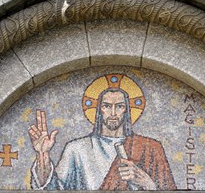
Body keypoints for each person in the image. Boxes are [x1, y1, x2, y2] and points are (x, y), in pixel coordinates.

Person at [28, 78, 176, 190]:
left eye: (119, 106)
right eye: (106, 106)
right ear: (99, 110)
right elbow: (52, 189)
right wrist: (43, 155)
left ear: (127, 111)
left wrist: (146, 182)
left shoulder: (151, 148)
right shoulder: (77, 149)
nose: (113, 113)